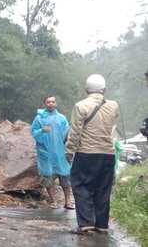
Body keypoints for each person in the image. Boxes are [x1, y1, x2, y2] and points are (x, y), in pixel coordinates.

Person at [65, 74, 119, 235]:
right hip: (108, 154)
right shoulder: (113, 106)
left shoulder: (80, 106)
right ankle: (102, 225)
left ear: (86, 89)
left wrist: (69, 152)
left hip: (86, 153)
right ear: (105, 89)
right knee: (103, 189)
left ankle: (86, 223)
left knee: (81, 186)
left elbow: (74, 133)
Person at [31, 96, 74, 210]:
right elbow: (34, 132)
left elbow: (67, 132)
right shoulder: (39, 118)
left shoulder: (62, 118)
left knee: (64, 176)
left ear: (56, 104)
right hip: (45, 152)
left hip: (60, 152)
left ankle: (68, 202)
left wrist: (65, 145)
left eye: (53, 102)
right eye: (48, 102)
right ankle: (53, 201)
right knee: (47, 177)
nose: (51, 104)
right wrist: (41, 131)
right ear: (44, 104)